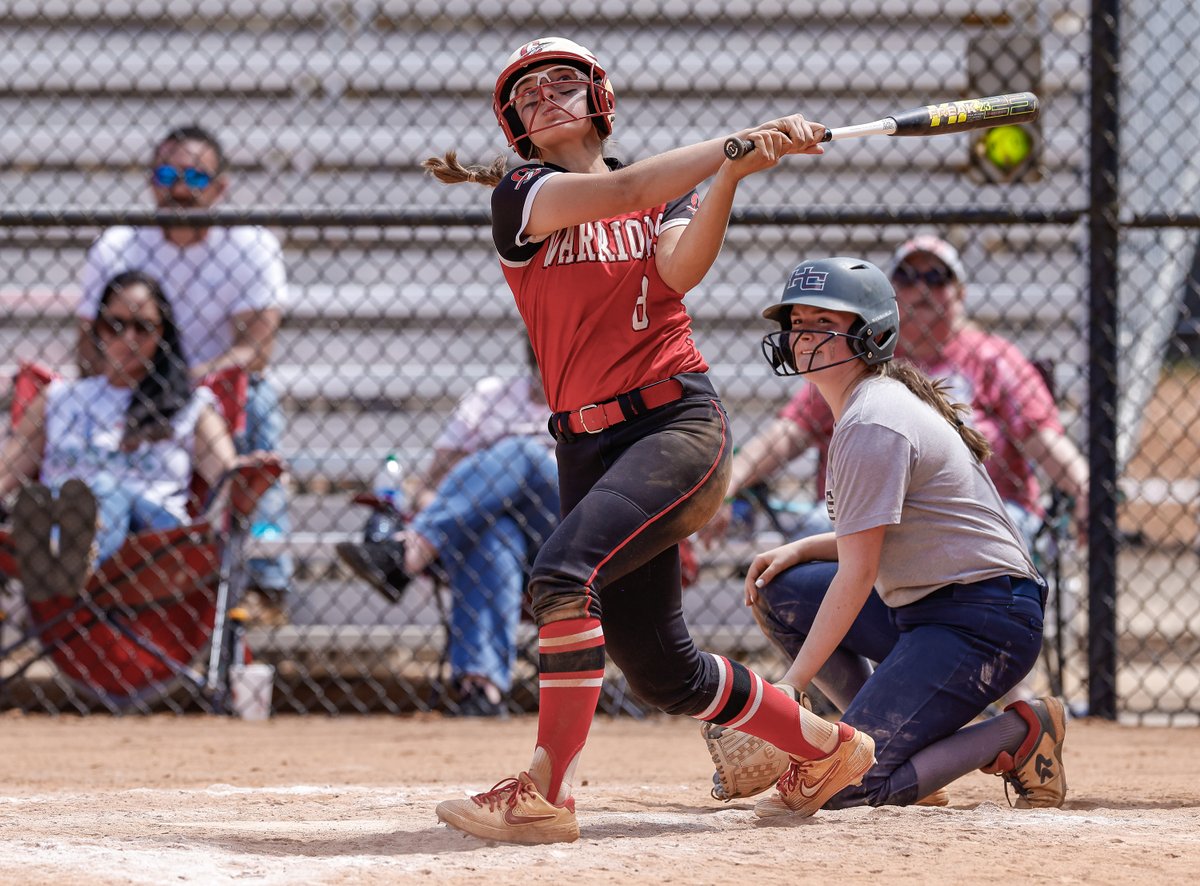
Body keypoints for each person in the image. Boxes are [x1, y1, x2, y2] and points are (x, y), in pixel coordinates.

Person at [420, 35, 874, 844]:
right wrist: (730, 145)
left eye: (563, 83)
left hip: (676, 424)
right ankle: (831, 747)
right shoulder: (522, 194)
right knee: (663, 668)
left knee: (562, 574)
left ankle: (546, 792)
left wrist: (729, 177)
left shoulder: (664, 201)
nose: (546, 97)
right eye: (528, 96)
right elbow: (624, 184)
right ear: (517, 131)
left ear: (599, 99)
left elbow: (679, 271)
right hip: (585, 445)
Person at [738, 255, 1066, 815]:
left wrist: (787, 690)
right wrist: (800, 547)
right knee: (783, 586)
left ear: (873, 335)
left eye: (824, 323)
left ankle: (1021, 732)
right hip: (927, 608)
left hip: (984, 620)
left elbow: (859, 572)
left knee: (850, 787)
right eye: (797, 322)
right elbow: (874, 541)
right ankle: (875, 739)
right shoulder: (861, 409)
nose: (802, 337)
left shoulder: (873, 418)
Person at [702, 234, 1090, 553]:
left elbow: (1042, 438)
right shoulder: (858, 353)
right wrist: (727, 487)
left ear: (960, 293)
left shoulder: (993, 358)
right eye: (906, 277)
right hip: (868, 514)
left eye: (936, 277)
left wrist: (1085, 488)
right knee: (811, 533)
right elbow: (790, 433)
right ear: (888, 299)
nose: (921, 287)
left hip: (977, 514)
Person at [74, 124, 293, 616]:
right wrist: (123, 378)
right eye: (168, 173)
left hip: (212, 384)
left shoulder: (248, 244)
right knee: (70, 404)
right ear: (151, 181)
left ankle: (266, 578)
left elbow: (256, 349)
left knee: (256, 401)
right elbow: (87, 343)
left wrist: (189, 379)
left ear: (220, 188)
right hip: (131, 379)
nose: (179, 188)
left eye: (195, 176)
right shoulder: (119, 244)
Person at [336, 342, 559, 717]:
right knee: (494, 535)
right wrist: (456, 507)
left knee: (521, 453)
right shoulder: (491, 396)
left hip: (563, 532)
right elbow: (429, 485)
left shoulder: (597, 396)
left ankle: (409, 550)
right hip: (491, 533)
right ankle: (482, 690)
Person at [0, 270, 253, 594]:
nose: (128, 339)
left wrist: (252, 476)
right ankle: (62, 551)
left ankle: (71, 564)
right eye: (115, 326)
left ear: (163, 335)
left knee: (105, 489)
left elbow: (228, 479)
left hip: (156, 540)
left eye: (143, 327)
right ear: (97, 329)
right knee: (47, 499)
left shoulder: (188, 406)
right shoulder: (58, 400)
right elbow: (7, 472)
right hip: (63, 514)